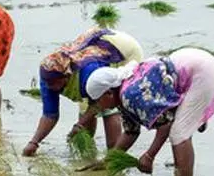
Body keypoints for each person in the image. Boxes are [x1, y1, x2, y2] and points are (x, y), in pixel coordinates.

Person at [85, 47, 214, 176]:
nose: (99, 107)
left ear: (108, 92)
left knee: (179, 134)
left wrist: (149, 156)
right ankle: (195, 120)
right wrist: (109, 160)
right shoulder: (123, 93)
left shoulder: (129, 95)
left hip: (200, 71)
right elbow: (131, 132)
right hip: (190, 63)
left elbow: (165, 125)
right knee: (181, 127)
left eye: (97, 101)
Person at [22, 27, 144, 156]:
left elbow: (99, 104)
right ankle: (87, 151)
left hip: (123, 50)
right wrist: (34, 142)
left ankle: (113, 154)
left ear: (66, 76)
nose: (50, 86)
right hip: (95, 51)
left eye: (54, 83)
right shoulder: (48, 76)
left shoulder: (87, 72)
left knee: (110, 106)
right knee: (84, 108)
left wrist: (79, 125)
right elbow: (50, 115)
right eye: (47, 83)